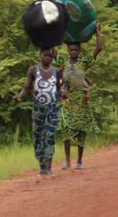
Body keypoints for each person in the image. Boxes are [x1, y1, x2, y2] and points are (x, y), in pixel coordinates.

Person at [57, 23, 102, 170]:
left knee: (82, 130)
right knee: (66, 129)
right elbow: (52, 50)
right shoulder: (62, 62)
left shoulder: (84, 62)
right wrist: (51, 31)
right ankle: (68, 160)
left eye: (76, 49)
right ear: (68, 51)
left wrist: (97, 32)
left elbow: (98, 49)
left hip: (81, 100)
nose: (74, 52)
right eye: (71, 50)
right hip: (67, 99)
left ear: (79, 50)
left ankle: (80, 161)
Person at [14, 47, 64, 176]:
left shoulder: (56, 71)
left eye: (50, 56)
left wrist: (63, 95)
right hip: (38, 110)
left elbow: (58, 89)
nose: (47, 57)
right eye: (45, 55)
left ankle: (48, 168)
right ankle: (42, 167)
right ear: (40, 55)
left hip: (53, 108)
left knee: (50, 136)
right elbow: (26, 88)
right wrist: (20, 96)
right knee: (38, 137)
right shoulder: (33, 70)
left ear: (53, 57)